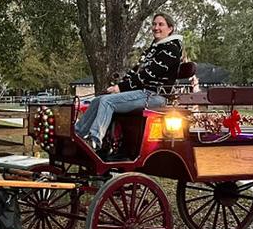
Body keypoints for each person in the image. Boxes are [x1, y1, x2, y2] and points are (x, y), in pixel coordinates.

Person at [74, 13, 183, 154]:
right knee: (98, 100)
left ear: (170, 29)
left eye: (160, 24)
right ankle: (78, 135)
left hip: (154, 96)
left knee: (107, 102)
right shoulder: (155, 48)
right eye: (154, 24)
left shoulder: (171, 49)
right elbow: (136, 72)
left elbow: (148, 75)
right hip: (142, 93)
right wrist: (117, 86)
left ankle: (95, 141)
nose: (156, 27)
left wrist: (121, 88)